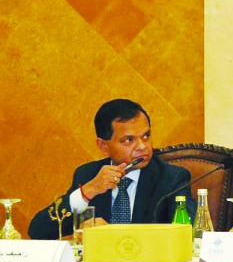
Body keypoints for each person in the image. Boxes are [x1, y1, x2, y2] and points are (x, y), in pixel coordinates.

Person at [28, 99, 193, 240]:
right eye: (129, 140)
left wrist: (113, 234)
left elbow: (187, 234)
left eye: (146, 136)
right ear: (103, 145)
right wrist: (88, 191)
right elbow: (38, 231)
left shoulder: (172, 178)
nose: (143, 147)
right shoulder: (88, 175)